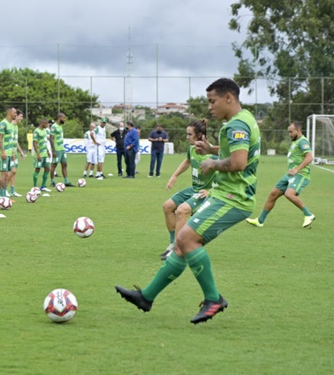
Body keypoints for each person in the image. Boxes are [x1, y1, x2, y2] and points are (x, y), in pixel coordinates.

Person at [115, 77, 260, 324]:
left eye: (212, 101)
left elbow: (238, 162)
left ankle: (213, 298)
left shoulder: (236, 125)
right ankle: (146, 297)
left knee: (186, 238)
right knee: (182, 246)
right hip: (225, 194)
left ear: (229, 98)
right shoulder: (244, 120)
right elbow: (236, 153)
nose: (210, 107)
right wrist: (212, 150)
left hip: (233, 197)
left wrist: (213, 163)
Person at [161, 119, 217, 260]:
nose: (187, 137)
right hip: (194, 189)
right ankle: (173, 243)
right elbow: (187, 161)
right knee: (167, 206)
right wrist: (175, 175)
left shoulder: (213, 154)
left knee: (181, 211)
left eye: (189, 134)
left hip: (205, 193)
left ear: (199, 135)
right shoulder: (192, 149)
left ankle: (178, 249)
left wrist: (212, 191)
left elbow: (228, 175)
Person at [246, 121, 315, 228]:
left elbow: (309, 157)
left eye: (291, 132)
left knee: (289, 194)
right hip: (290, 174)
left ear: (298, 130)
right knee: (273, 194)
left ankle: (308, 214)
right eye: (288, 132)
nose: (289, 134)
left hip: (301, 174)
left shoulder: (302, 142)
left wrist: (297, 169)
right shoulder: (295, 142)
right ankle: (260, 221)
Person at [0, 106, 17, 199]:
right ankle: (1, 195)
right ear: (9, 113)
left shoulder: (11, 124)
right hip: (2, 153)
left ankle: (4, 194)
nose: (16, 114)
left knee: (7, 174)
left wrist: (12, 153)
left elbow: (11, 140)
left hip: (9, 153)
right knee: (3, 174)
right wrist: (3, 152)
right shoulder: (3, 124)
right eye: (14, 113)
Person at [49, 112, 74, 187]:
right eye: (64, 118)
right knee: (54, 165)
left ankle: (66, 181)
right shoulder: (54, 126)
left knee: (64, 164)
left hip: (62, 149)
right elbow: (51, 139)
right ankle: (52, 181)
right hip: (57, 149)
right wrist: (53, 150)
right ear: (60, 118)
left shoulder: (60, 126)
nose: (64, 119)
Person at [8, 110, 26, 197]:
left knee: (14, 172)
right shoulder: (10, 125)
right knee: (11, 171)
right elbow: (8, 141)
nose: (22, 118)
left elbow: (15, 141)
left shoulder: (16, 127)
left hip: (14, 152)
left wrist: (21, 152)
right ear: (16, 116)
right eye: (20, 116)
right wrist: (12, 154)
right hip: (9, 153)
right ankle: (3, 189)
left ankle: (12, 191)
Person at [32, 118, 53, 191]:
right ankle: (35, 187)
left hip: (45, 154)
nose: (47, 125)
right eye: (46, 123)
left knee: (47, 169)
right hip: (39, 154)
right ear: (42, 123)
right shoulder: (36, 131)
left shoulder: (44, 131)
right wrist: (38, 154)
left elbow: (44, 142)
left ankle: (43, 186)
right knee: (37, 169)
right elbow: (34, 143)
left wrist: (48, 151)